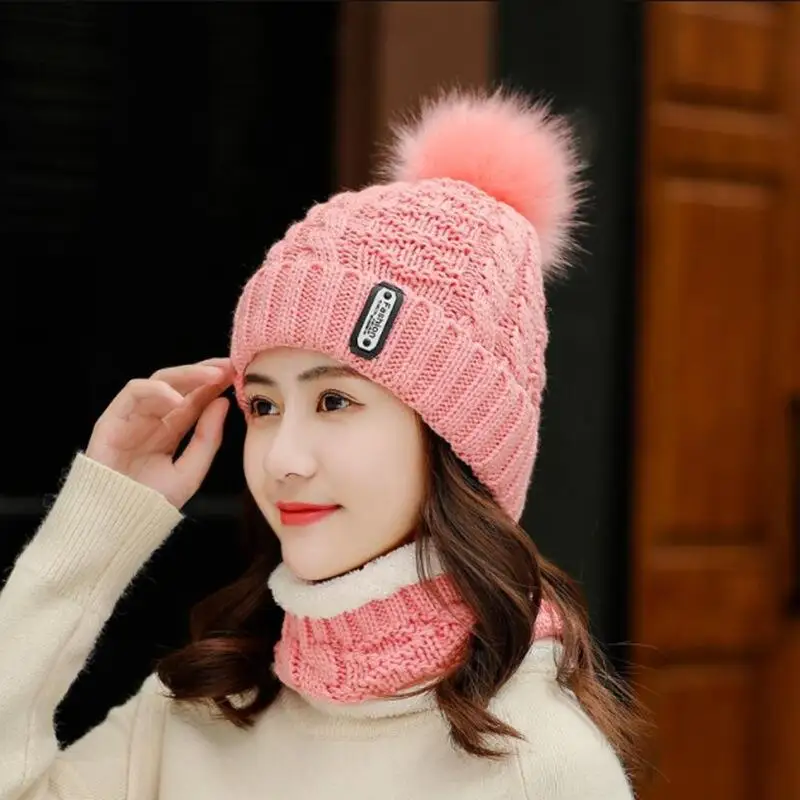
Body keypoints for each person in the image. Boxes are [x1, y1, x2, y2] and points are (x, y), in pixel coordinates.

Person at [0, 88, 640, 799]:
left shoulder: (539, 768)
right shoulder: (204, 708)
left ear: (457, 439)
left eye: (335, 400)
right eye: (264, 405)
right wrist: (95, 527)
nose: (282, 459)